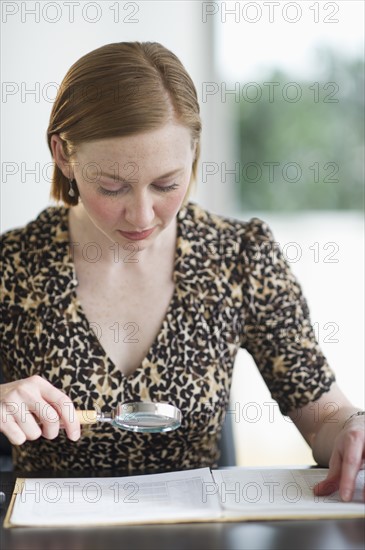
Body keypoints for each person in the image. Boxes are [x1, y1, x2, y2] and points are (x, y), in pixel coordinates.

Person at [0, 42, 364, 501]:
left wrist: (354, 428)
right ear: (63, 154)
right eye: (112, 187)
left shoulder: (240, 257)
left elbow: (326, 416)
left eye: (166, 184)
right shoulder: (12, 266)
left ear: (193, 151)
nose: (142, 215)